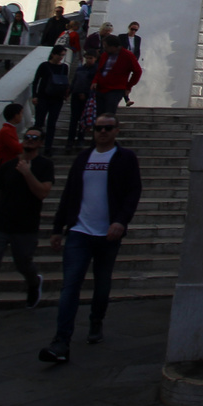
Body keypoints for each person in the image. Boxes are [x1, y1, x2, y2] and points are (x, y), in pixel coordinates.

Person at [39, 113, 141, 363]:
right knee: (70, 286)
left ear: (117, 130)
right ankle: (61, 340)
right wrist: (57, 227)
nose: (102, 132)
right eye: (98, 128)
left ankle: (96, 321)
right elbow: (70, 193)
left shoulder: (125, 157)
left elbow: (133, 192)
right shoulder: (84, 157)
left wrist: (120, 221)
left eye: (107, 128)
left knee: (102, 282)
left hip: (108, 233)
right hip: (79, 231)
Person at [0, 125, 52, 328]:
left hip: (25, 226)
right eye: (27, 137)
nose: (30, 140)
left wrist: (27, 173)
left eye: (35, 138)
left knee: (23, 263)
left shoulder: (44, 165)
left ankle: (34, 282)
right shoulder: (7, 166)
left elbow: (43, 193)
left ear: (41, 143)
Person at [31, 47, 71, 155]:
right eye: (60, 55)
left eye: (63, 55)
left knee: (52, 123)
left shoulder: (64, 67)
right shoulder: (44, 66)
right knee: (39, 122)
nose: (61, 58)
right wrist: (34, 95)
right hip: (43, 96)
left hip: (57, 98)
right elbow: (36, 81)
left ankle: (48, 146)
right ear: (53, 54)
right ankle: (35, 143)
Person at [92, 36, 142, 114]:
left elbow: (137, 71)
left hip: (116, 89)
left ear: (113, 47)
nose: (104, 48)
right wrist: (95, 81)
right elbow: (100, 70)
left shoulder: (127, 55)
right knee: (98, 113)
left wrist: (129, 86)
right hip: (101, 88)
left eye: (106, 46)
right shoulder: (105, 55)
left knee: (109, 111)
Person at [67, 48, 98, 151]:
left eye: (91, 58)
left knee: (83, 119)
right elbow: (75, 81)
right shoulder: (80, 69)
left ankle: (80, 139)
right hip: (76, 95)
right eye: (87, 58)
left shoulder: (96, 70)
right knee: (74, 119)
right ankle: (70, 140)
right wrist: (69, 92)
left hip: (87, 97)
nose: (88, 60)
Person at [120, 22, 143, 105]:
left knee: (132, 76)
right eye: (132, 29)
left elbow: (137, 50)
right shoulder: (122, 37)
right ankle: (127, 99)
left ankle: (127, 97)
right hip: (123, 60)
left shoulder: (137, 39)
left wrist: (135, 59)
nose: (133, 31)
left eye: (135, 30)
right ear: (129, 28)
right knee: (123, 79)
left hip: (131, 60)